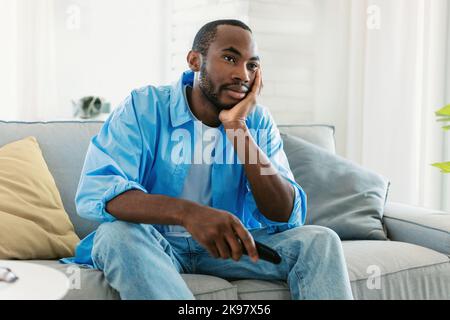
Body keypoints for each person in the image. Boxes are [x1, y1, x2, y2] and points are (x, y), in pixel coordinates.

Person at [64, 19, 353, 300]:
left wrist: (238, 129)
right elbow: (100, 190)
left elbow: (283, 212)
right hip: (157, 244)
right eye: (230, 58)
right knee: (115, 236)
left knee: (320, 241)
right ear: (195, 60)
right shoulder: (145, 106)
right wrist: (189, 213)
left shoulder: (257, 121)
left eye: (252, 65)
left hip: (231, 250)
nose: (243, 74)